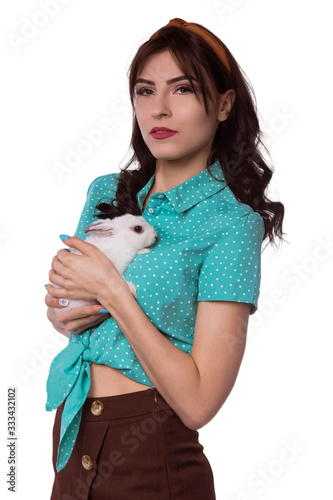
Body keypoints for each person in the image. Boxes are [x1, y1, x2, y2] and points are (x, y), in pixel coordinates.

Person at [45, 18, 285, 500]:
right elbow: (67, 311)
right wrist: (61, 310)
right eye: (145, 90)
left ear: (223, 104)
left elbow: (198, 403)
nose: (159, 108)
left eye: (183, 89)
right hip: (72, 433)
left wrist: (112, 291)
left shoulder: (230, 224)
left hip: (152, 454)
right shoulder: (107, 193)